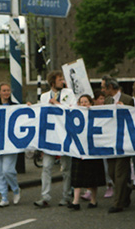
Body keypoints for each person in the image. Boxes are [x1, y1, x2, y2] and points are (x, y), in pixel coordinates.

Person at [34, 70, 76, 208]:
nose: (62, 81)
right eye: (60, 79)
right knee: (46, 167)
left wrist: (57, 104)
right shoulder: (44, 97)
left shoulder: (69, 94)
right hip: (50, 138)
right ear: (52, 82)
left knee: (66, 168)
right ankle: (45, 196)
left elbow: (72, 110)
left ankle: (66, 195)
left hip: (64, 136)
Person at [67, 95, 106, 210]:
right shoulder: (74, 114)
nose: (84, 104)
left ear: (91, 103)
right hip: (79, 150)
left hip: (93, 150)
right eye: (81, 102)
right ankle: (76, 201)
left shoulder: (96, 114)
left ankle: (93, 200)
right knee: (77, 177)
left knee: (93, 177)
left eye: (86, 102)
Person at [103, 78, 135, 214]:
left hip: (124, 141)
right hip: (111, 141)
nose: (103, 90)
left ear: (111, 87)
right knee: (111, 172)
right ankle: (125, 190)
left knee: (120, 173)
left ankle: (118, 203)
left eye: (104, 87)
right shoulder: (107, 101)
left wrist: (125, 109)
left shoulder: (128, 99)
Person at [0, 83, 22, 208]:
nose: (6, 93)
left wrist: (29, 107)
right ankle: (4, 196)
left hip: (10, 143)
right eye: (4, 90)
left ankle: (15, 189)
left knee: (7, 170)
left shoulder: (16, 106)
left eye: (8, 90)